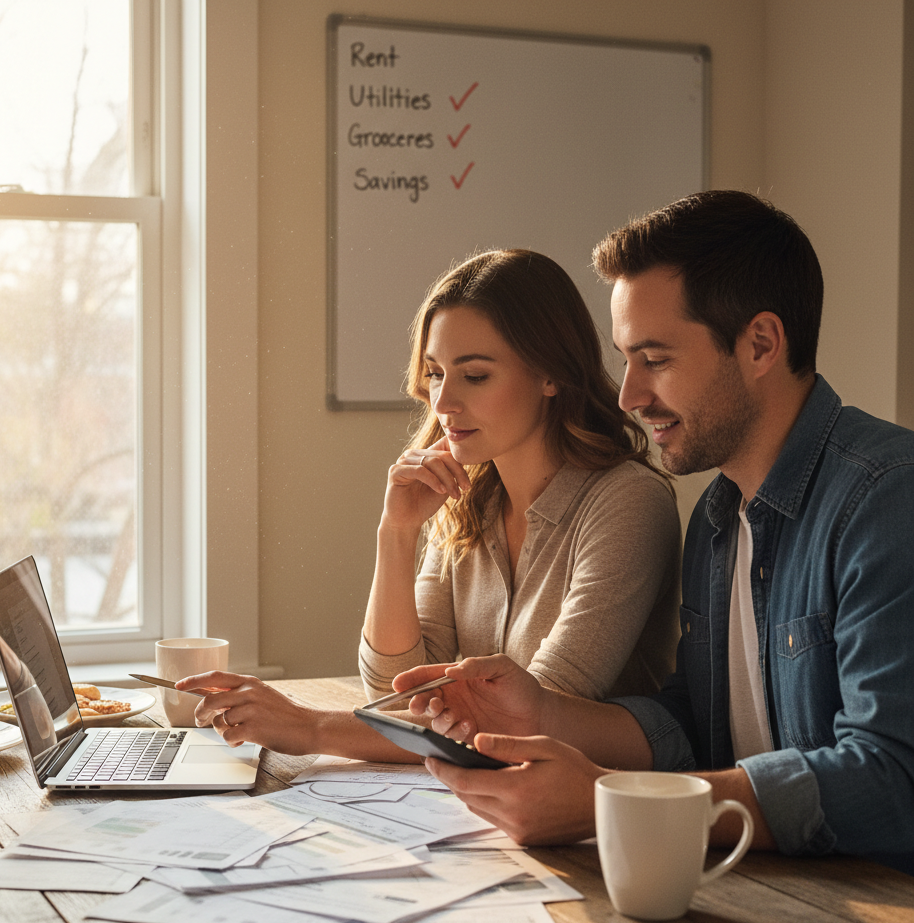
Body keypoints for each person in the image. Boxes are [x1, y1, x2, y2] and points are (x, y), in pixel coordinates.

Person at [401, 191, 914, 874]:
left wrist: (613, 806)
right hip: (769, 890)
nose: (628, 396)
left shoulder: (886, 498)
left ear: (760, 344)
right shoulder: (715, 518)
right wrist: (544, 713)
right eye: (626, 359)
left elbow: (889, 781)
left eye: (656, 359)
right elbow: (694, 728)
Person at [177, 248, 680, 763]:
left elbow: (529, 719)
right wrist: (396, 532)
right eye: (436, 374)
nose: (442, 404)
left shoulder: (629, 503)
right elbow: (393, 690)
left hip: (601, 817)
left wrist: (311, 728)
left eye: (475, 375)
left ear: (550, 374)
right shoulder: (468, 499)